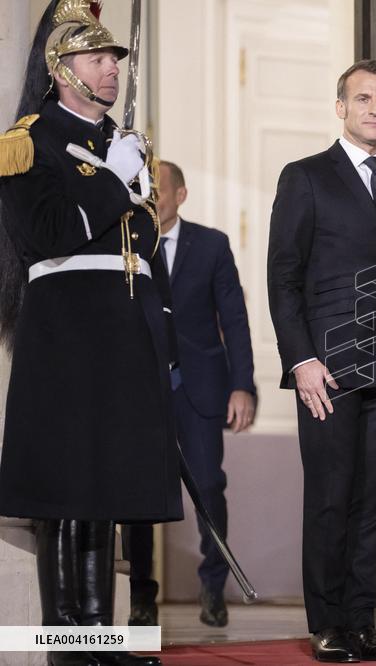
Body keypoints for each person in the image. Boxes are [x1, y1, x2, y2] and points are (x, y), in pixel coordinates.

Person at [0, 2, 180, 665]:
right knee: (67, 490)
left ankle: (101, 640)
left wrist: (166, 337)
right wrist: (112, 178)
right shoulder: (29, 139)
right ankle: (67, 645)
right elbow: (46, 235)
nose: (111, 71)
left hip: (124, 329)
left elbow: (147, 247)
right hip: (67, 330)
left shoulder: (121, 141)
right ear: (62, 69)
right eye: (99, 60)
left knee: (109, 489)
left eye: (114, 61)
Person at [267, 59, 376, 663]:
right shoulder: (305, 177)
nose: (375, 110)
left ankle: (362, 622)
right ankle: (326, 623)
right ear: (341, 108)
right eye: (364, 99)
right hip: (326, 370)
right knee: (331, 496)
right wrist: (300, 359)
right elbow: (284, 278)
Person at [123, 160, 256, 629]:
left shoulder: (212, 245)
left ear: (180, 195)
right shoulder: (126, 242)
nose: (150, 198)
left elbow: (234, 319)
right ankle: (141, 595)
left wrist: (243, 386)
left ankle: (213, 588)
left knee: (208, 488)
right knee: (137, 494)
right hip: (139, 390)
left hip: (200, 390)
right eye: (143, 190)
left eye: (159, 191)